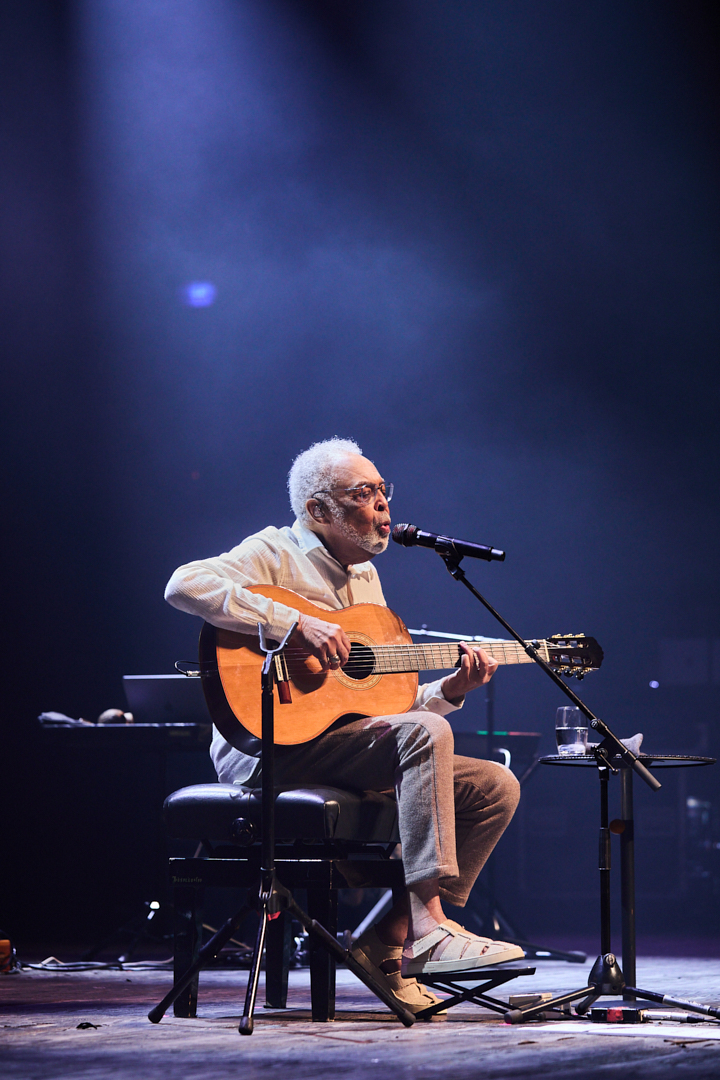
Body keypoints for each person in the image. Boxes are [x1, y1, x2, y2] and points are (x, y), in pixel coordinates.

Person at [165, 438, 522, 1017]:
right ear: (318, 511)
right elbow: (183, 585)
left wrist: (449, 691)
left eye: (384, 490)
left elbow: (377, 699)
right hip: (267, 749)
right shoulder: (273, 552)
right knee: (423, 735)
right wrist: (294, 622)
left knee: (493, 787)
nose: (382, 504)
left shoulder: (365, 580)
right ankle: (432, 930)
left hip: (337, 746)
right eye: (364, 493)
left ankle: (382, 941)